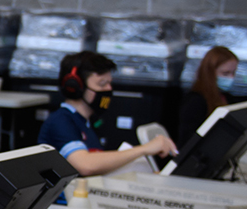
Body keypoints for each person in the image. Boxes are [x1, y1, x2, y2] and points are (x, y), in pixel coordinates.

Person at [39, 51, 177, 176]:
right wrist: (144, 149)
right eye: (102, 84)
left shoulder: (87, 122)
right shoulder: (61, 121)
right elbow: (85, 165)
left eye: (109, 83)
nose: (108, 89)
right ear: (74, 87)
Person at [177, 46, 239, 145]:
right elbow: (188, 141)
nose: (231, 78)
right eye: (225, 73)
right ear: (210, 73)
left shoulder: (226, 97)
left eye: (233, 73)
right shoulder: (195, 101)